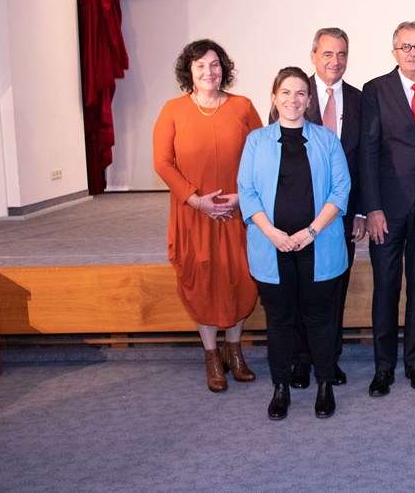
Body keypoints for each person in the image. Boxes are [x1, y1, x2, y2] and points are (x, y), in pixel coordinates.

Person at [238, 67, 350, 420]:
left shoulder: (327, 139)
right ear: (274, 97)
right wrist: (272, 234)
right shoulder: (256, 140)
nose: (293, 99)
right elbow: (247, 191)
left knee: (319, 318)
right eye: (286, 92)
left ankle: (324, 385)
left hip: (318, 243)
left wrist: (311, 231)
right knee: (280, 320)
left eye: (301, 93)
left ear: (309, 99)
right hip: (271, 246)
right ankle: (281, 387)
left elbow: (340, 189)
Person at [153, 39, 262, 393]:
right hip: (194, 215)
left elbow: (261, 155)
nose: (208, 72)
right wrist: (196, 200)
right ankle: (212, 355)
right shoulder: (172, 110)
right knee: (201, 280)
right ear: (189, 71)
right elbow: (162, 163)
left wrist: (242, 199)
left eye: (214, 64)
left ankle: (235, 349)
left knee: (239, 277)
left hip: (236, 213)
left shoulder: (243, 107)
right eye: (200, 66)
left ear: (224, 68)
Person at [359, 21, 415, 396]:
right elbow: (368, 152)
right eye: (406, 46)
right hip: (388, 210)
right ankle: (383, 368)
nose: (413, 53)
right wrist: (372, 207)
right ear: (394, 52)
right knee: (387, 289)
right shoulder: (375, 90)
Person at [288, 28, 366, 390]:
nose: (336, 62)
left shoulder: (359, 98)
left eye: (342, 54)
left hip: (343, 214)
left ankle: (327, 359)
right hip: (300, 212)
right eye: (328, 54)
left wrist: (362, 211)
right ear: (313, 55)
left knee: (334, 287)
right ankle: (302, 360)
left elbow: (364, 160)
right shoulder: (293, 93)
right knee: (303, 289)